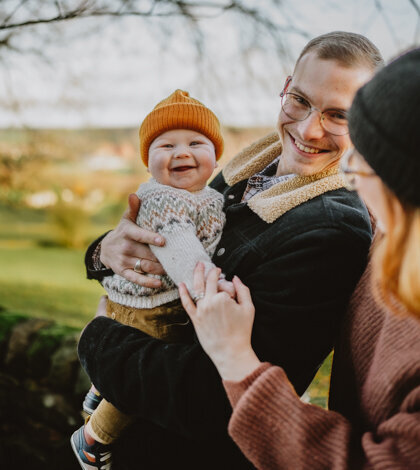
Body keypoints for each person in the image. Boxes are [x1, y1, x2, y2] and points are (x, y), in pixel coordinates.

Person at [77, 32, 384, 470]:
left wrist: (97, 339)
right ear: (285, 87)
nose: (306, 129)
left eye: (338, 115)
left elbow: (213, 399)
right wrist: (103, 252)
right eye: (299, 100)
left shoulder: (332, 232)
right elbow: (169, 231)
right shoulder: (246, 168)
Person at [179, 47, 420, 469]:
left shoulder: (340, 228)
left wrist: (236, 358)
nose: (350, 173)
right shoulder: (392, 237)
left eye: (367, 160)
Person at [71, 89, 234, 469]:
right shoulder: (164, 199)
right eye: (166, 145)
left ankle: (98, 388)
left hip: (158, 300)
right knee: (138, 382)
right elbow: (181, 251)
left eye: (196, 142)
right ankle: (93, 440)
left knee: (134, 369)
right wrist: (210, 289)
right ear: (148, 161)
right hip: (147, 307)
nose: (181, 152)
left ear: (216, 155)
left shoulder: (206, 195)